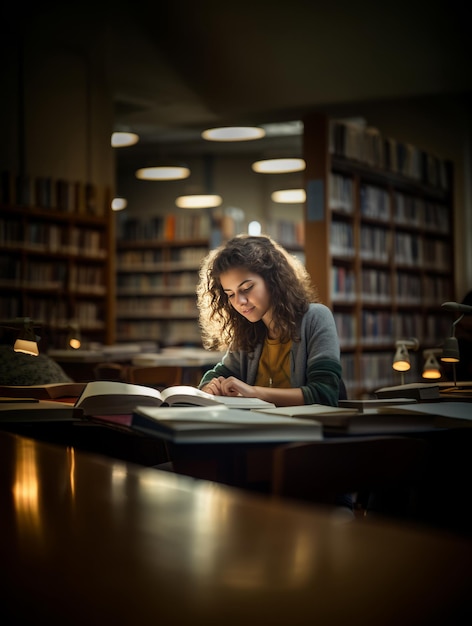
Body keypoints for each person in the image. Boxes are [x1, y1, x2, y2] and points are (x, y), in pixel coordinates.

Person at [196, 234, 343, 407]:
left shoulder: (316, 317)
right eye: (230, 294)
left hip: (306, 429)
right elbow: (218, 373)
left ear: (273, 280)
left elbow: (324, 394)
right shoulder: (247, 330)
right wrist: (209, 387)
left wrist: (253, 393)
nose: (239, 302)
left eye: (247, 288)